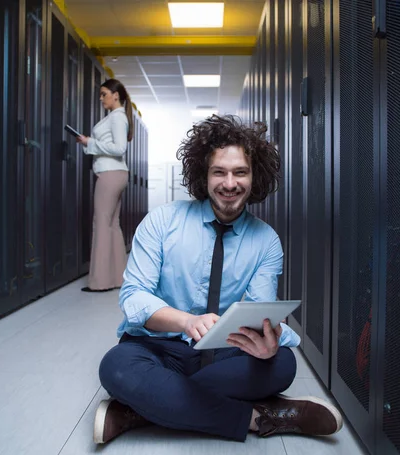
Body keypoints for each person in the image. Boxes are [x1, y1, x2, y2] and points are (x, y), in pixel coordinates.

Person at [93, 115, 343, 444]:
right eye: (219, 172)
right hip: (159, 349)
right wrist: (185, 321)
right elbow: (134, 297)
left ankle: (140, 409)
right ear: (204, 175)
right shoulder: (162, 222)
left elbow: (258, 312)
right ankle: (258, 418)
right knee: (117, 366)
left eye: (240, 172)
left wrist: (268, 341)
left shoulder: (266, 241)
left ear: (255, 177)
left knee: (282, 363)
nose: (229, 183)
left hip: (225, 354)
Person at [76, 79, 132, 292]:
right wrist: (88, 142)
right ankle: (119, 278)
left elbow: (119, 148)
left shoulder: (117, 118)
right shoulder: (116, 117)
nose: (101, 98)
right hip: (117, 174)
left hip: (109, 174)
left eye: (104, 94)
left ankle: (100, 282)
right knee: (112, 224)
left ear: (115, 95)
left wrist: (89, 142)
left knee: (101, 223)